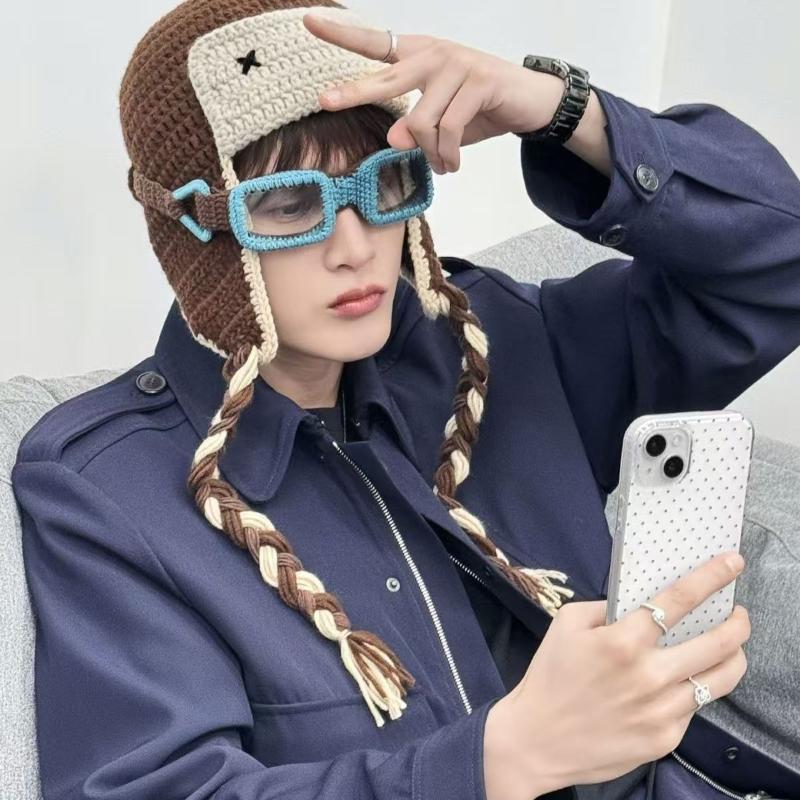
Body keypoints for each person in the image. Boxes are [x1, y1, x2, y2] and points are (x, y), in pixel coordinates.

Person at [11, 0, 800, 798]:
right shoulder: (110, 489)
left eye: (382, 182)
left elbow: (776, 266)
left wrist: (564, 110)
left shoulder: (498, 341)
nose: (356, 248)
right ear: (194, 231)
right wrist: (500, 759)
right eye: (289, 204)